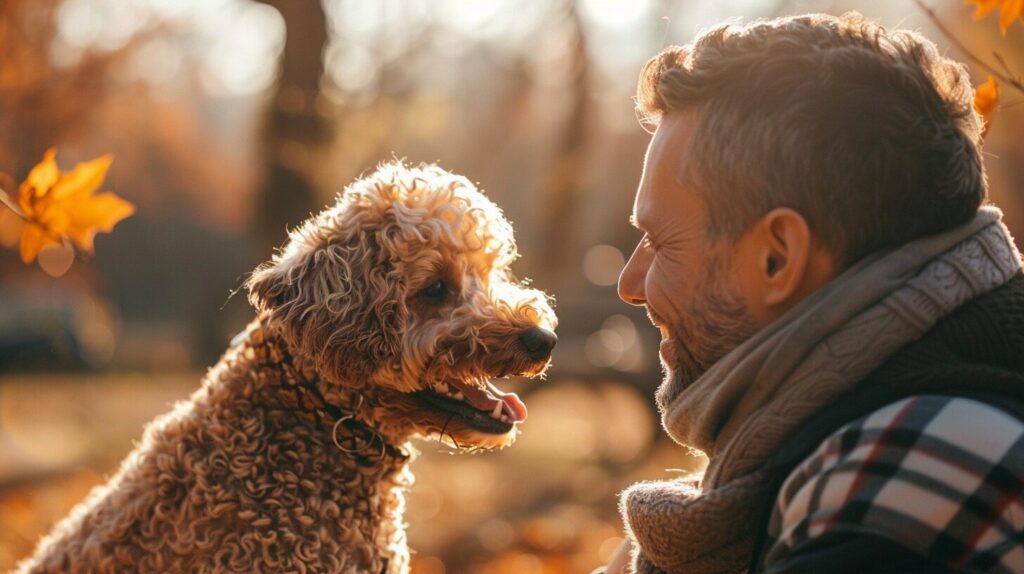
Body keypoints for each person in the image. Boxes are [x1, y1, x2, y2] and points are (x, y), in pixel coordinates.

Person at [600, 11, 1024, 574]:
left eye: (659, 240)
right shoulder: (881, 419)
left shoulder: (913, 478)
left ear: (777, 257)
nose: (630, 285)